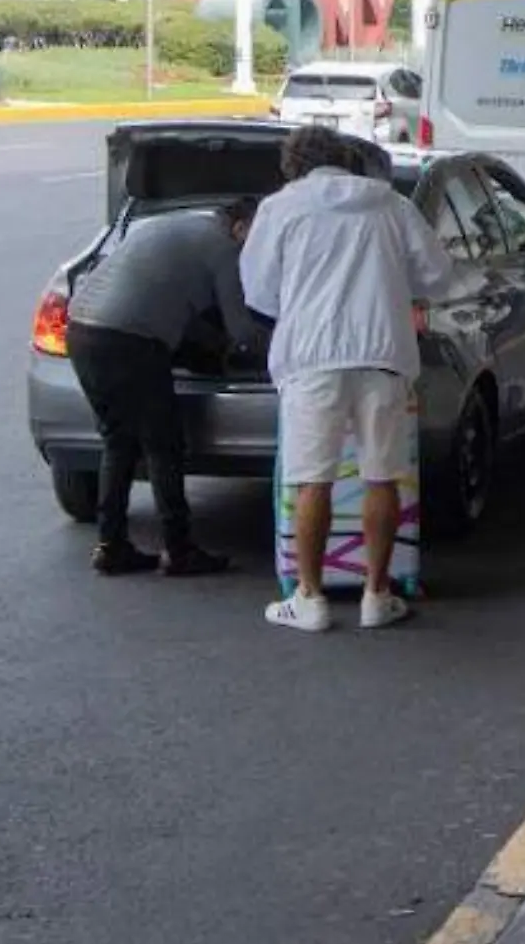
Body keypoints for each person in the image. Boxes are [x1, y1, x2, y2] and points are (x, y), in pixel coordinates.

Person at [240, 127, 461, 633]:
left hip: (311, 358)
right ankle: (377, 595)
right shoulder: (392, 205)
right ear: (348, 160)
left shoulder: (281, 209)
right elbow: (438, 277)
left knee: (312, 478)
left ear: (293, 165)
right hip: (384, 353)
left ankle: (311, 598)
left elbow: (259, 291)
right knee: (382, 475)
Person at [64, 199, 264, 576]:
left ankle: (111, 545)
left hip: (82, 330)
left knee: (118, 441)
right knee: (164, 445)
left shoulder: (176, 225)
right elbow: (242, 331)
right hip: (131, 341)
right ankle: (180, 549)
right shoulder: (223, 248)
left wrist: (211, 347)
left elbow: (176, 303)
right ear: (239, 226)